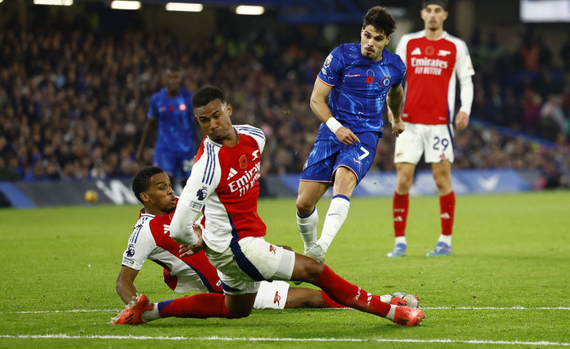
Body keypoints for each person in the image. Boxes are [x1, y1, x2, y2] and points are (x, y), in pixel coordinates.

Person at [111, 86, 424, 326]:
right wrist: (198, 240)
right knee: (313, 270)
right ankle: (394, 311)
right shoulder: (206, 165)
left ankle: (149, 314)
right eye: (203, 120)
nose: (212, 125)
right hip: (237, 248)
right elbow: (179, 226)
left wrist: (209, 236)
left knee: (235, 310)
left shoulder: (254, 137)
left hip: (235, 248)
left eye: (216, 115)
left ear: (228, 110)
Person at [117, 166, 420, 310]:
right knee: (311, 297)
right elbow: (123, 280)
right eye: (161, 188)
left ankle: (385, 301)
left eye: (168, 184)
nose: (170, 190)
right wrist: (135, 303)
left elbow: (218, 228)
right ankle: (389, 302)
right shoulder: (144, 232)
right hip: (229, 287)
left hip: (242, 262)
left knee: (302, 267)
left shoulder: (184, 206)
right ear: (145, 197)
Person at [295, 6, 406, 263]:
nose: (370, 43)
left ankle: (321, 246)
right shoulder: (341, 55)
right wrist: (336, 127)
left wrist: (396, 117)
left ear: (387, 40)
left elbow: (395, 92)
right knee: (303, 203)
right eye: (367, 35)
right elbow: (316, 100)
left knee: (344, 178)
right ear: (361, 32)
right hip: (332, 131)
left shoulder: (395, 66)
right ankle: (310, 251)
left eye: (377, 38)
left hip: (365, 134)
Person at [387, 0, 475, 258]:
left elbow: (466, 80)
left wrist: (464, 109)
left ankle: (445, 240)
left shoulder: (456, 46)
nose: (434, 14)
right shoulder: (408, 42)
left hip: (439, 124)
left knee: (441, 179)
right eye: (430, 10)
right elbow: (393, 79)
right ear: (423, 14)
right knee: (403, 180)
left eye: (439, 10)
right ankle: (400, 242)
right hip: (409, 123)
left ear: (445, 15)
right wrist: (392, 113)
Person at [135, 66, 198, 194]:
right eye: (170, 77)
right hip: (165, 149)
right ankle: (167, 213)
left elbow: (199, 122)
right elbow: (151, 124)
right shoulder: (157, 99)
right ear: (165, 79)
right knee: (163, 183)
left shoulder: (188, 98)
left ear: (180, 79)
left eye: (176, 77)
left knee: (189, 184)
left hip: (186, 149)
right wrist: (141, 150)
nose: (173, 81)